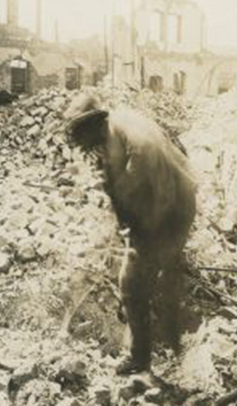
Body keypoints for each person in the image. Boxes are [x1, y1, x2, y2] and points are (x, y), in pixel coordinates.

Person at [63, 93, 197, 375]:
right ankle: (162, 342)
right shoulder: (111, 135)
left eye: (79, 134)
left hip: (167, 211)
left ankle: (144, 357)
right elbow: (116, 187)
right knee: (141, 279)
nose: (81, 144)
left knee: (131, 284)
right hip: (162, 210)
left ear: (91, 125)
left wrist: (133, 220)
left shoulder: (126, 129)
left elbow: (143, 169)